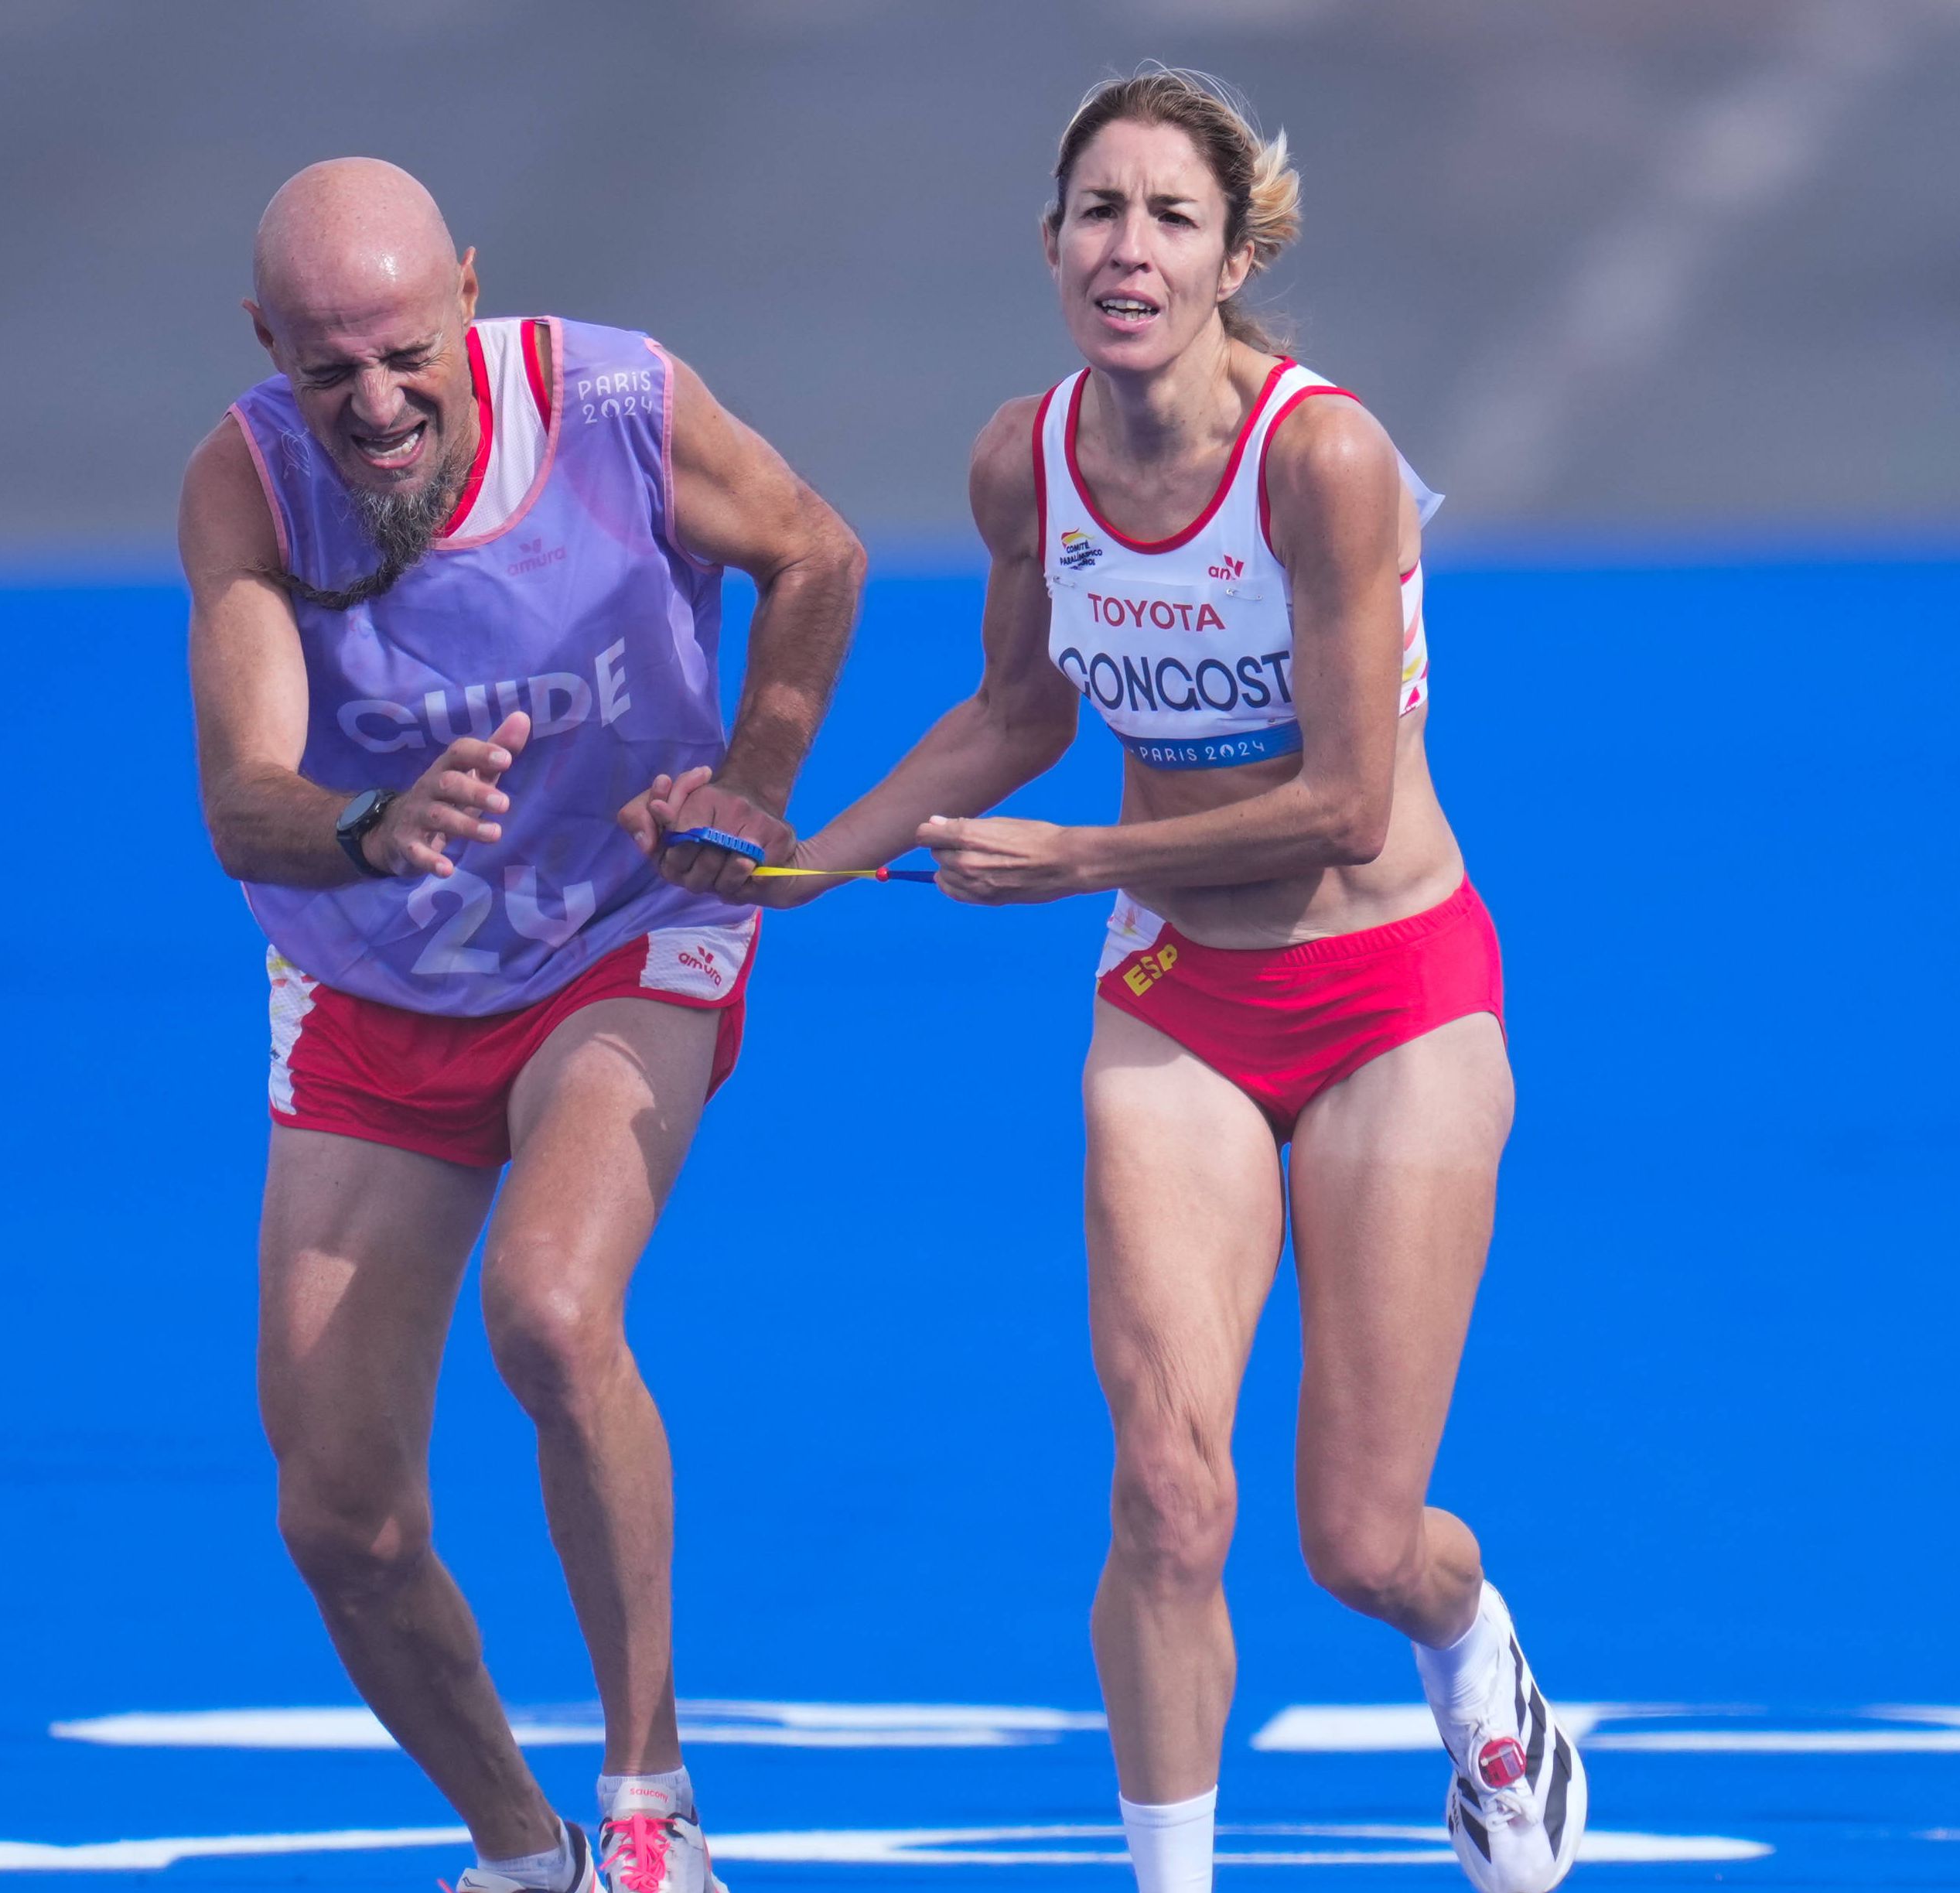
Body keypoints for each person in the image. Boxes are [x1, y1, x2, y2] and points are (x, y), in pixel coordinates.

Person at [646, 70, 1586, 1893]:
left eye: (1167, 217)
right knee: (1164, 1491)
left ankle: (1473, 1665)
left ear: (1235, 255)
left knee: (1356, 1535)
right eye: (1096, 211)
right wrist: (806, 861)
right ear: (1052, 242)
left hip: (1389, 991)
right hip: (1175, 1006)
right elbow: (1019, 709)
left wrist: (1077, 858)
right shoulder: (1027, 460)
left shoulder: (1322, 462)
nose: (1125, 248)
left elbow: (1340, 804)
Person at [184, 158, 862, 1893]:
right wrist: (366, 824)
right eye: (328, 367)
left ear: (465, 295)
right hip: (374, 981)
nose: (377, 403)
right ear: (269, 344)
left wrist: (757, 783)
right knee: (338, 1517)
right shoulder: (248, 482)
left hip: (624, 930)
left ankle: (651, 1817)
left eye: (405, 351)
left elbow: (812, 553)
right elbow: (245, 797)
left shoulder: (615, 405)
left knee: (552, 1316)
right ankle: (522, 1852)